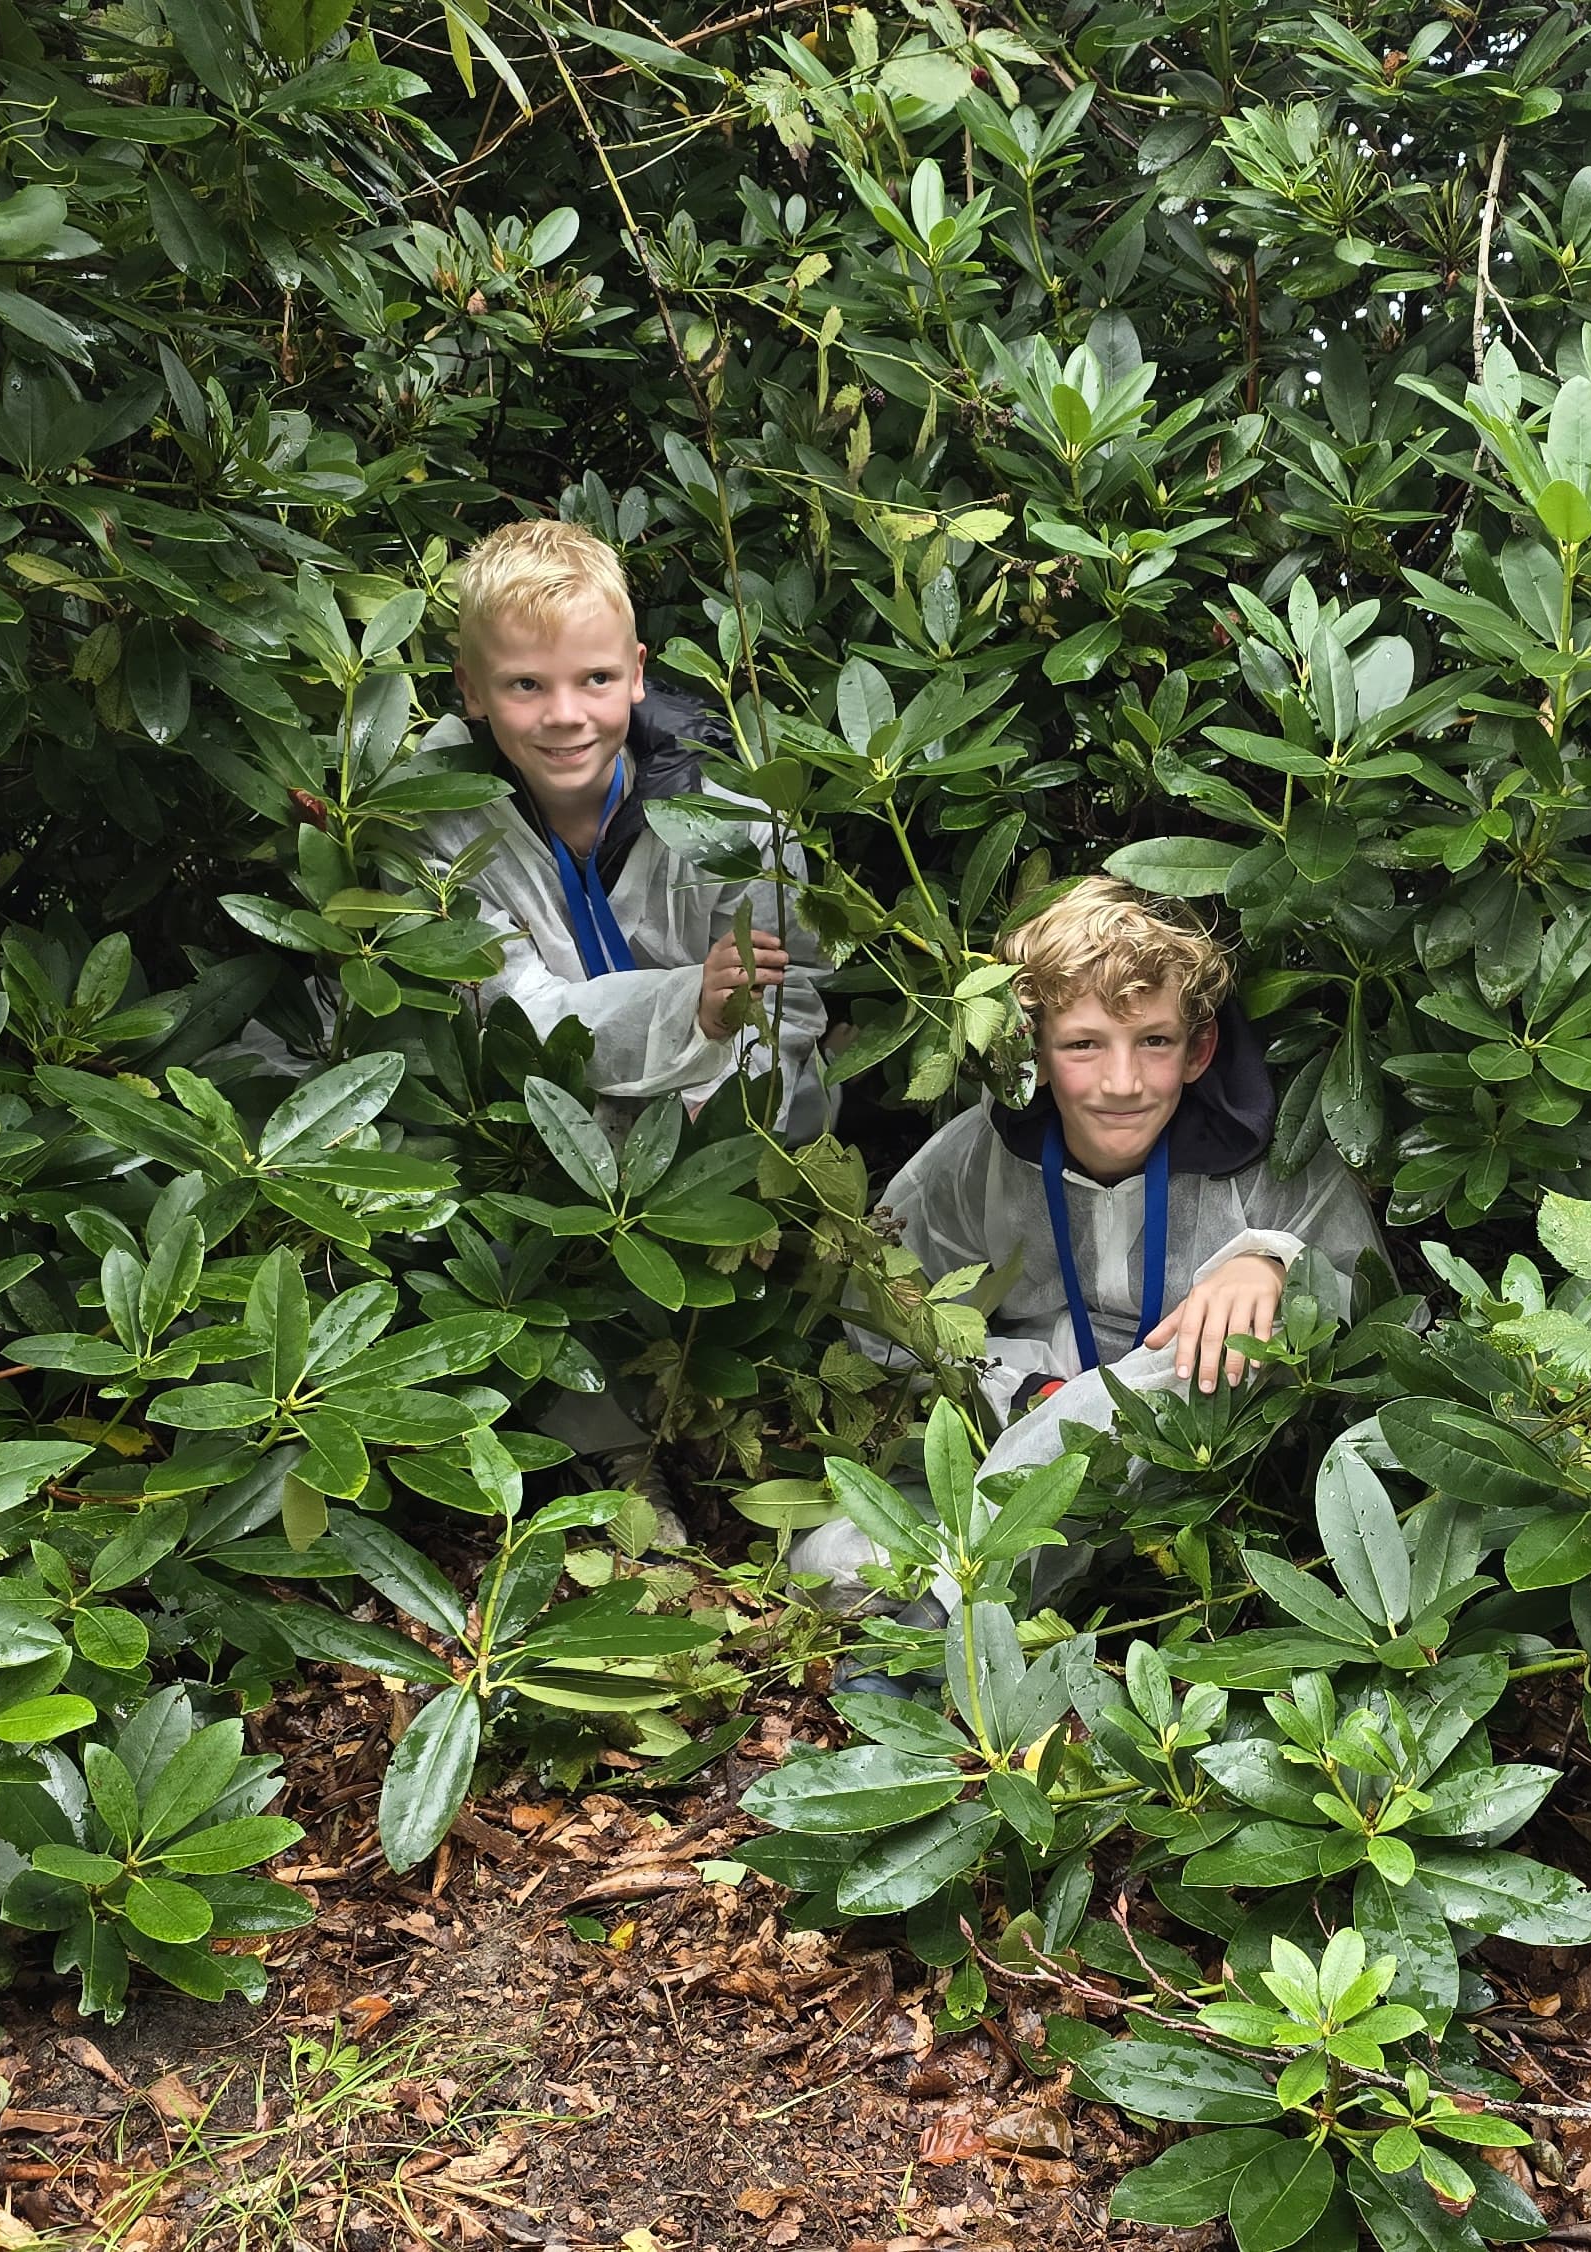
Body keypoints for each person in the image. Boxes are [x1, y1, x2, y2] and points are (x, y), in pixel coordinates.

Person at [795, 877, 1388, 1611]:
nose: (1122, 1082)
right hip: (1007, 1442)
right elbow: (891, 1313)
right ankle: (960, 1585)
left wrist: (1271, 1266)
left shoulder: (1270, 1158)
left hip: (1195, 1466)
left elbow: (1365, 1303)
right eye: (1083, 1045)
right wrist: (1015, 1393)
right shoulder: (983, 1155)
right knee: (828, 1563)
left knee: (1225, 1336)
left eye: (1155, 1041)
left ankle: (952, 1611)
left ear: (1199, 1049)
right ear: (1034, 1050)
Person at [416, 518, 828, 1138]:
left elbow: (786, 998)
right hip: (532, 1133)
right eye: (526, 684)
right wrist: (690, 1009)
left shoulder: (733, 817)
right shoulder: (434, 820)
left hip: (727, 1125)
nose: (565, 715)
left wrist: (712, 1117)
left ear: (636, 674)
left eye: (596, 679)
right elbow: (509, 1015)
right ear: (471, 689)